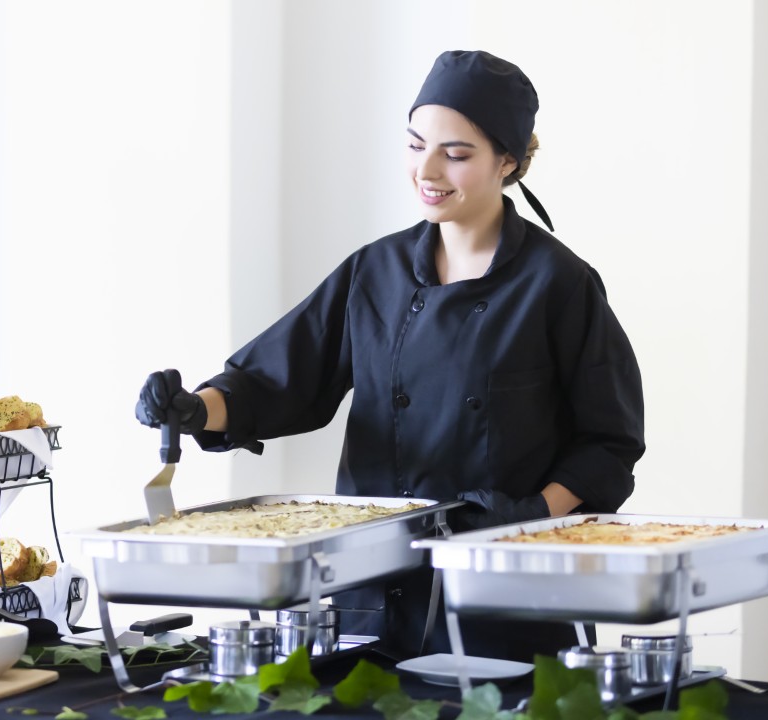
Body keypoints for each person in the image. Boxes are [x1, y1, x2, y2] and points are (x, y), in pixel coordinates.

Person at [135, 50, 645, 662]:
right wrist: (194, 408)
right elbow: (279, 379)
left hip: (506, 593)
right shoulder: (374, 271)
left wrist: (530, 515)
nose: (427, 169)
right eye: (414, 144)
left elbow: (608, 441)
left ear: (507, 161)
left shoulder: (558, 283)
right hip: (369, 587)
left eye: (455, 154)